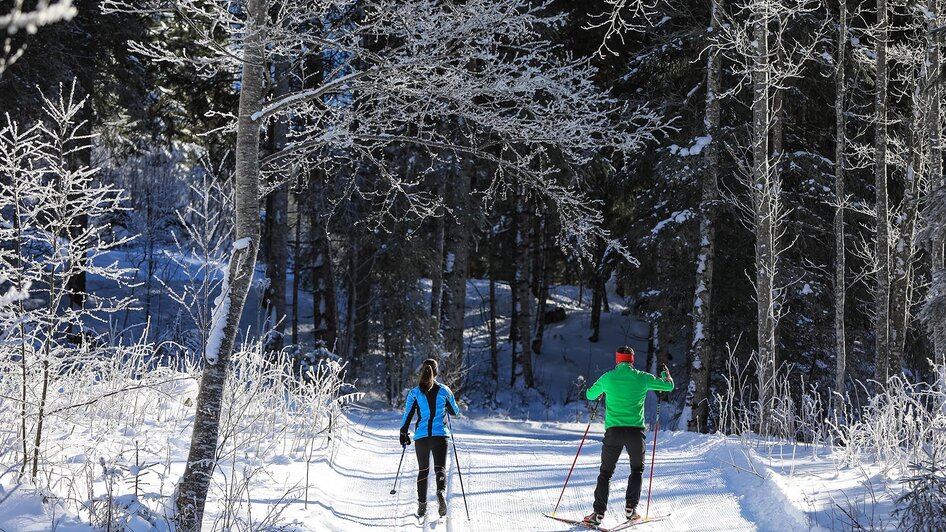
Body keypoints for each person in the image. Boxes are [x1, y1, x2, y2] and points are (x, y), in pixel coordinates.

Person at [582, 346, 673, 526]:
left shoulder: (607, 378)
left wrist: (601, 390)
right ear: (632, 360)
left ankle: (598, 513)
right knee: (636, 470)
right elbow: (668, 386)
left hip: (613, 432)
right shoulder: (642, 377)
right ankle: (631, 509)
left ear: (617, 360)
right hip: (635, 433)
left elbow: (589, 394)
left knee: (605, 473)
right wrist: (665, 376)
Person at [399, 358, 460, 518]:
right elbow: (455, 411)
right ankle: (440, 492)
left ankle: (422, 506)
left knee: (423, 471)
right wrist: (446, 405)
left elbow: (408, 414)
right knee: (440, 468)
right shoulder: (445, 390)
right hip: (441, 436)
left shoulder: (415, 392)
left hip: (422, 437)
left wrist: (403, 432)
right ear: (436, 371)